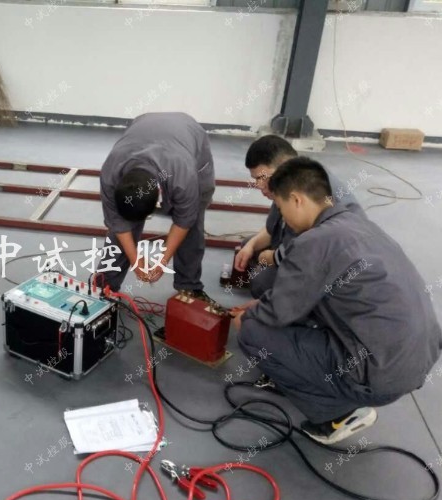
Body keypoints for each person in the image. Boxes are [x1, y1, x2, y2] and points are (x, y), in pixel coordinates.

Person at [232, 156, 442, 445]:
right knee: (280, 306)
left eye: (281, 207)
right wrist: (265, 305)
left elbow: (277, 313)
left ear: (297, 200)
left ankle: (336, 416)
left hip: (379, 374)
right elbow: (302, 296)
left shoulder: (312, 242)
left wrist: (248, 316)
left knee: (252, 332)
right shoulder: (356, 224)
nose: (283, 217)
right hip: (417, 360)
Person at [97, 112, 215, 299]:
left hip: (188, 134)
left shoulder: (183, 176)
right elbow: (118, 223)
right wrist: (136, 260)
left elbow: (184, 220)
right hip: (144, 126)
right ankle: (106, 284)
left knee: (193, 222)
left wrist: (162, 262)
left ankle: (189, 286)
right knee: (118, 231)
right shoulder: (110, 173)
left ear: (159, 198)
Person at [235, 135, 365, 299]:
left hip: (330, 262)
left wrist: (272, 257)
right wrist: (251, 245)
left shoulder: (317, 192)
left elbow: (310, 249)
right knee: (248, 246)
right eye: (255, 179)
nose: (259, 186)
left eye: (262, 178)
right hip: (302, 244)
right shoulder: (288, 181)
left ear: (282, 167)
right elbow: (274, 229)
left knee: (262, 283)